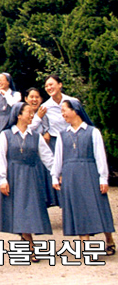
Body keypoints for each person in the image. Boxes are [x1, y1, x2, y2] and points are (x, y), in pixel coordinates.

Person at [51, 99, 115, 255]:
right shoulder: (62, 135)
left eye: (65, 110)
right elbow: (58, 157)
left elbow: (100, 157)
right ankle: (87, 248)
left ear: (76, 110)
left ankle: (109, 239)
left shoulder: (93, 132)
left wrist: (103, 178)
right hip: (71, 176)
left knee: (99, 206)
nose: (63, 114)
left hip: (90, 173)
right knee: (78, 209)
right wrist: (55, 176)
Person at [0, 103, 54, 262]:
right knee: (20, 208)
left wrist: (57, 174)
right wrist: (2, 179)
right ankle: (30, 244)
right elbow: (0, 158)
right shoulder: (6, 135)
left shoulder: (36, 136)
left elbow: (47, 157)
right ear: (18, 115)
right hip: (14, 176)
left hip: (32, 175)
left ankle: (26, 238)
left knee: (32, 208)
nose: (32, 115)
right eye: (29, 112)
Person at [25, 87, 59, 207]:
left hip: (46, 149)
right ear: (26, 99)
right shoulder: (23, 113)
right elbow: (27, 128)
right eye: (31, 97)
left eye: (37, 97)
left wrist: (48, 132)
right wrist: (37, 117)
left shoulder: (44, 111)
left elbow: (51, 125)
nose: (34, 100)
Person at [31, 75, 77, 152]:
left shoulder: (73, 102)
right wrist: (46, 133)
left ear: (60, 85)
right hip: (55, 141)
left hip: (73, 138)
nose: (49, 88)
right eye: (46, 86)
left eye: (51, 84)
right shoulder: (45, 106)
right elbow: (45, 126)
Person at [0, 72, 22, 172]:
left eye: (1, 79)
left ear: (8, 81)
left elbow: (13, 104)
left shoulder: (16, 95)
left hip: (11, 124)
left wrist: (5, 94)